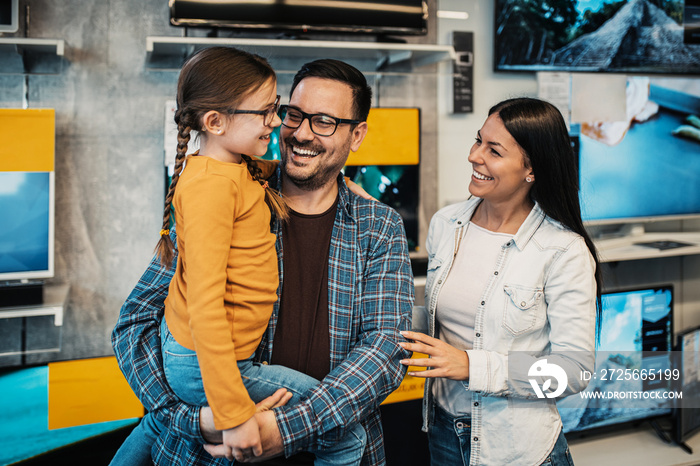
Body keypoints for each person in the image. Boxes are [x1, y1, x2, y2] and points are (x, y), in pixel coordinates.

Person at [112, 57, 414, 465]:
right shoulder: (229, 196)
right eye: (293, 114)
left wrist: (284, 430)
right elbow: (135, 323)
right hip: (210, 451)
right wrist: (189, 417)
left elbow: (385, 350)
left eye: (324, 121)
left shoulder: (377, 225)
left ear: (356, 134)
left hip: (327, 439)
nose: (300, 132)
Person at [400, 97, 602, 465]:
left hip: (518, 449)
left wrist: (472, 365)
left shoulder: (562, 250)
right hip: (443, 433)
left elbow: (574, 371)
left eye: (493, 150)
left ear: (532, 170)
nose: (474, 155)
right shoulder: (447, 224)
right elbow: (442, 323)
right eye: (478, 141)